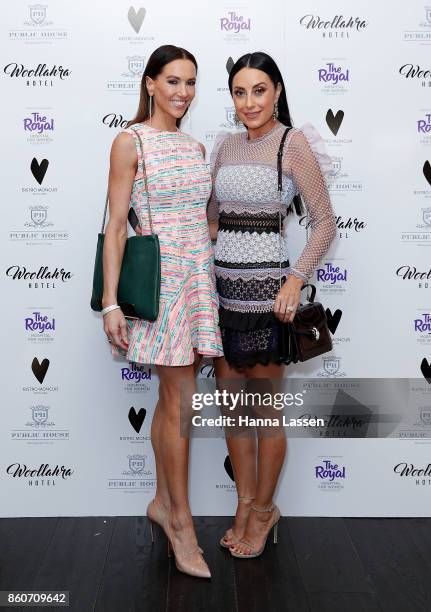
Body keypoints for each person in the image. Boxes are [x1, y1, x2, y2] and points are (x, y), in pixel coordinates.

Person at [207, 51, 336, 558]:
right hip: (221, 293)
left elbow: (324, 221)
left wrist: (294, 280)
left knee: (263, 414)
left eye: (259, 90)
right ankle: (244, 504)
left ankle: (264, 511)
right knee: (232, 411)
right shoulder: (225, 146)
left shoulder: (293, 142)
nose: (249, 102)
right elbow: (213, 220)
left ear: (277, 90)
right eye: (240, 92)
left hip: (268, 299)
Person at [101, 44, 223, 578]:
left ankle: (159, 500)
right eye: (172, 81)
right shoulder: (131, 142)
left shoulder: (195, 147)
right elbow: (115, 227)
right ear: (150, 83)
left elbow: (204, 222)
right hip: (160, 291)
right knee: (179, 405)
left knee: (171, 401)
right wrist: (111, 302)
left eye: (191, 82)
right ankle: (181, 524)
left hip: (197, 285)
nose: (182, 92)